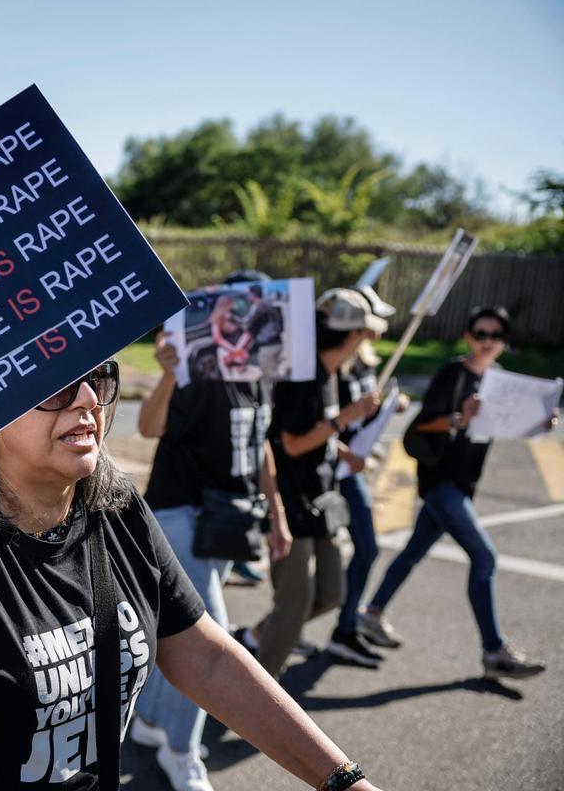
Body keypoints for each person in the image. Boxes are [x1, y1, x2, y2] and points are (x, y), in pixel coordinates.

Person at [0, 361, 384, 791]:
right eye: (50, 386)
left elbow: (202, 655)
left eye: (98, 376)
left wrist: (342, 781)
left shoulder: (114, 506)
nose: (85, 400)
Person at [132, 328, 293, 789]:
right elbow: (148, 427)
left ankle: (150, 719)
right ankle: (180, 752)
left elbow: (259, 442)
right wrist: (166, 374)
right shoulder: (193, 368)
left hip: (229, 519)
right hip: (181, 512)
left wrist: (276, 514)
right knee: (209, 641)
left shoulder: (259, 373)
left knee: (177, 629)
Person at [361, 306, 555, 680]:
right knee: (485, 559)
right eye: (480, 334)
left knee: (413, 552)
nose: (487, 342)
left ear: (503, 342)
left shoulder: (499, 380)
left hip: (464, 482)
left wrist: (540, 421)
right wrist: (458, 418)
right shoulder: (453, 374)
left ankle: (371, 614)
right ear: (468, 336)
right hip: (441, 482)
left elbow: (511, 424)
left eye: (495, 336)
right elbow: (421, 425)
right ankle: (494, 652)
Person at [238, 289, 381, 678]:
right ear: (353, 337)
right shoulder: (304, 377)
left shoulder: (329, 374)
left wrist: (342, 449)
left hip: (320, 498)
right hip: (292, 501)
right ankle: (263, 693)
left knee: (331, 593)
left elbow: (311, 432)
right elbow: (293, 442)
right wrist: (345, 420)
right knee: (294, 603)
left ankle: (257, 637)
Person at [324, 286, 409, 667]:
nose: (378, 330)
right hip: (333, 470)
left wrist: (387, 408)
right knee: (316, 564)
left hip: (348, 466)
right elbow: (320, 423)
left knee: (361, 549)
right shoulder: (331, 366)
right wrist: (343, 451)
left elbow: (358, 416)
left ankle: (344, 627)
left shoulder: (363, 363)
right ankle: (270, 633)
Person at [242, 283, 285, 377]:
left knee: (269, 374)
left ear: (253, 294)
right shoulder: (269, 303)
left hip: (268, 346)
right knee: (272, 370)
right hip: (277, 342)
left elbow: (248, 324)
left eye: (248, 294)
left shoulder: (259, 306)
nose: (247, 296)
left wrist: (233, 320)